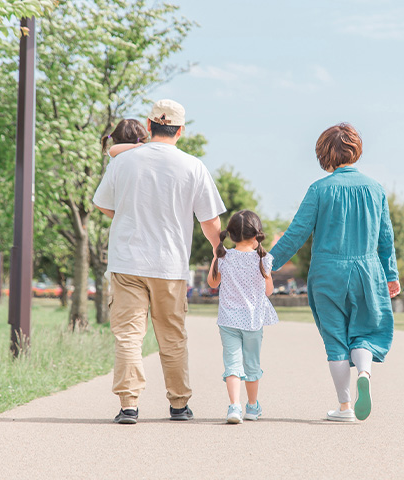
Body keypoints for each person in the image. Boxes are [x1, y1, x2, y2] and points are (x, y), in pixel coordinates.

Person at [92, 99, 226, 424]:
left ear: (149, 126)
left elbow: (104, 205)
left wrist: (127, 211)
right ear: (181, 130)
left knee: (128, 335)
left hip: (126, 263)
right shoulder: (193, 166)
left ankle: (128, 405)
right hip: (170, 265)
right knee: (172, 336)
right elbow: (210, 220)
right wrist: (217, 250)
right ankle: (179, 404)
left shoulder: (122, 163)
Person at [269, 123, 400, 422]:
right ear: (356, 150)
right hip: (367, 270)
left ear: (324, 153)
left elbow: (295, 234)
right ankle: (364, 373)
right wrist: (391, 275)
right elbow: (385, 239)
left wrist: (266, 264)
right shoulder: (376, 189)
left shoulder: (319, 189)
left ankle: (344, 407)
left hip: (328, 273)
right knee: (366, 331)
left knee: (335, 338)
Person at [206, 210, 278, 424]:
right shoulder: (263, 259)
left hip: (228, 320)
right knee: (252, 364)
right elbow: (269, 291)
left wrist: (215, 255)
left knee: (232, 364)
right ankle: (253, 407)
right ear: (257, 235)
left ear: (231, 235)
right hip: (253, 322)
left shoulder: (224, 257)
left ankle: (234, 406)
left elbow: (212, 283)